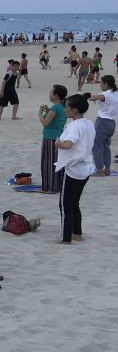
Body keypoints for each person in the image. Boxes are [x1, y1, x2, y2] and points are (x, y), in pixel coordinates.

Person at [55, 94, 95, 244]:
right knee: (74, 202)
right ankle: (77, 233)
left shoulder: (74, 126)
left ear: (75, 110)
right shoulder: (88, 124)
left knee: (65, 204)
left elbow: (68, 144)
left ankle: (66, 237)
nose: (65, 110)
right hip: (86, 167)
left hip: (73, 168)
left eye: (67, 107)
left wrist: (58, 143)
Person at [38, 85, 67, 193]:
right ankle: (54, 186)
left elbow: (45, 122)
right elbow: (57, 118)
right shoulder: (61, 107)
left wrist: (40, 113)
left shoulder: (56, 108)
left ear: (56, 96)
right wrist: (48, 110)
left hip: (51, 138)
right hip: (57, 136)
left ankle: (51, 187)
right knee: (54, 161)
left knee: (49, 163)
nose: (49, 94)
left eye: (51, 93)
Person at [89, 75, 117, 176]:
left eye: (101, 83)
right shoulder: (116, 93)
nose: (100, 85)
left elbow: (100, 97)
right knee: (106, 146)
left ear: (106, 84)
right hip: (112, 122)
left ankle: (99, 170)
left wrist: (90, 97)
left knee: (97, 146)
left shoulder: (106, 94)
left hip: (103, 121)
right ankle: (107, 169)